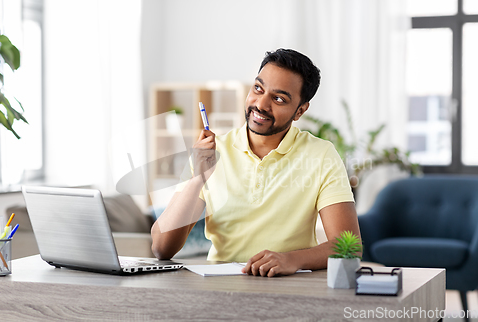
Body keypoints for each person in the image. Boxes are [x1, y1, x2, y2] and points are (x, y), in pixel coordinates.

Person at [151, 48, 361, 277]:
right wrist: (198, 179)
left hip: (287, 287)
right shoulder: (211, 152)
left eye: (279, 99)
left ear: (300, 110)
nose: (261, 104)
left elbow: (349, 247)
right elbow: (161, 248)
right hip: (217, 288)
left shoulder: (322, 155)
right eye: (258, 89)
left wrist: (292, 259)